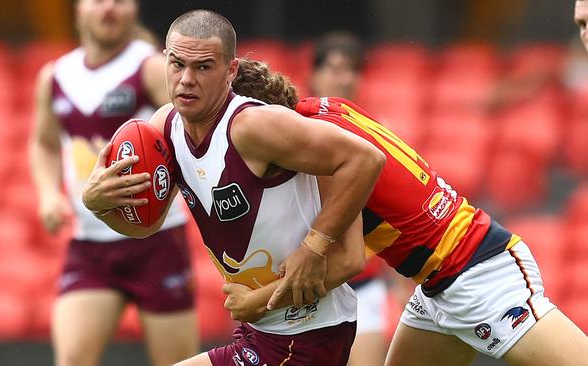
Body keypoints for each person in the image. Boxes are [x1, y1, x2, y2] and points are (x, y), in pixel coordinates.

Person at [227, 58, 588, 365]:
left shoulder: (318, 154)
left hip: (478, 271)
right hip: (435, 283)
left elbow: (350, 260)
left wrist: (256, 300)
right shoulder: (325, 108)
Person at [81, 9, 386, 366]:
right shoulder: (164, 127)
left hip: (305, 332)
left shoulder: (253, 127)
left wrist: (312, 248)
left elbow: (366, 160)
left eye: (204, 67)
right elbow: (147, 225)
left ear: (231, 70)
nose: (186, 80)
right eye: (177, 64)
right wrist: (97, 204)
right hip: (261, 329)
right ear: (163, 60)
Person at [29, 1, 199, 365]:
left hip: (158, 240)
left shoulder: (152, 67)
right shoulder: (56, 76)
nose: (109, 7)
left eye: (119, 0)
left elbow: (193, 130)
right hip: (90, 243)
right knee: (71, 360)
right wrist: (47, 194)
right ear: (77, 10)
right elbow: (43, 143)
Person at [309, 31, 397, 366]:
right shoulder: (292, 131)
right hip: (313, 283)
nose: (344, 79)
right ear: (315, 74)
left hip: (364, 283)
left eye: (352, 70)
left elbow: (394, 213)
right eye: (334, 69)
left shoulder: (377, 130)